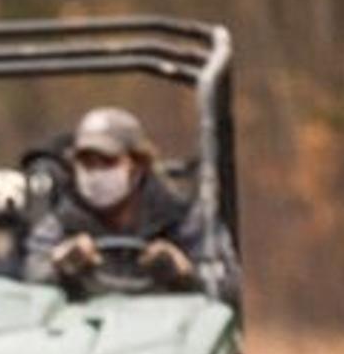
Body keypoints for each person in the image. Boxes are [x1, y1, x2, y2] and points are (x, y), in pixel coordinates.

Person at [24, 106, 237, 299]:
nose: (95, 174)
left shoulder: (182, 218)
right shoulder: (61, 222)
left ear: (138, 165)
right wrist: (61, 268)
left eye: (107, 162)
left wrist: (184, 274)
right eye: (86, 163)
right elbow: (30, 285)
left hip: (168, 325)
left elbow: (229, 286)